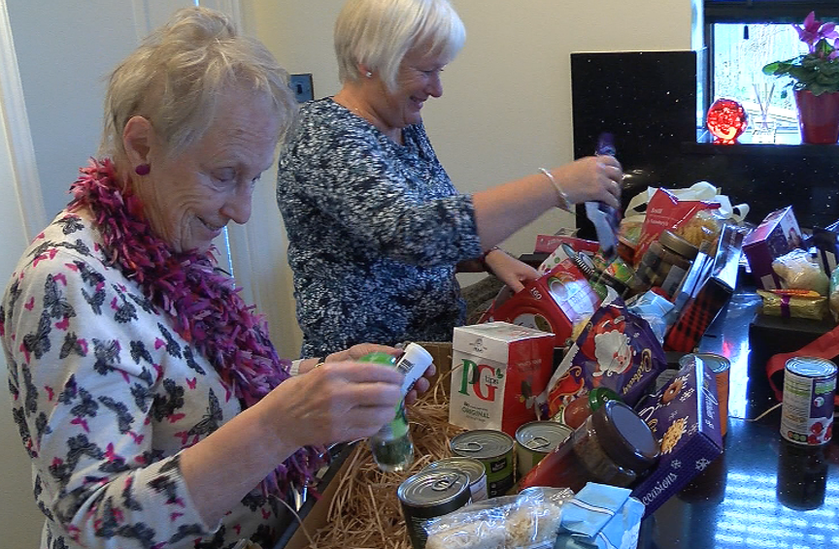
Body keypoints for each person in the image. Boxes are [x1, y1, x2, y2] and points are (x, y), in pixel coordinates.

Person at [0, 8, 433, 549]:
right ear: (141, 146)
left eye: (252, 178)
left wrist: (317, 376)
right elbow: (96, 528)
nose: (243, 210)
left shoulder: (169, 242)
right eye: (224, 175)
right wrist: (280, 425)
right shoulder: (65, 283)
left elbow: (200, 394)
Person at [277, 0, 623, 357]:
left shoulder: (401, 125)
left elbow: (433, 219)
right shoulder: (324, 134)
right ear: (370, 61)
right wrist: (556, 185)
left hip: (428, 354)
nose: (437, 88)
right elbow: (411, 234)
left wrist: (488, 256)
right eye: (426, 71)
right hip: (365, 372)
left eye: (439, 70)